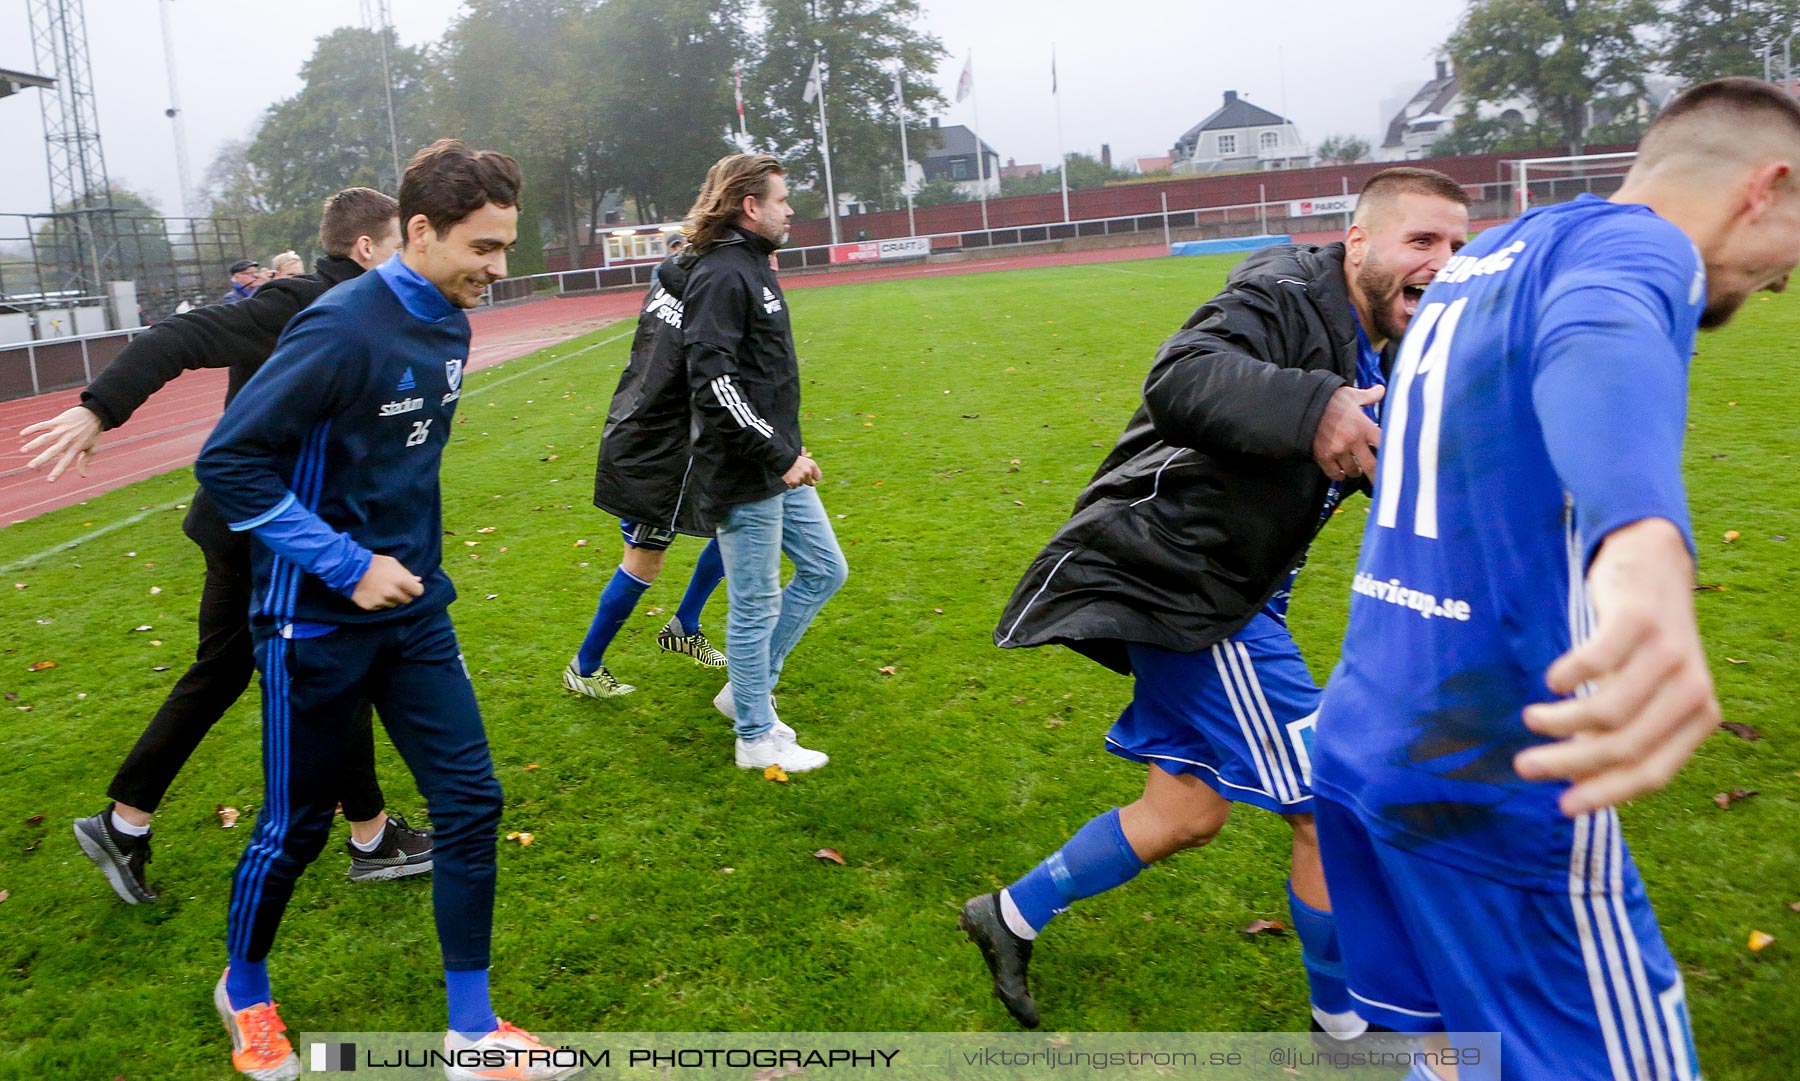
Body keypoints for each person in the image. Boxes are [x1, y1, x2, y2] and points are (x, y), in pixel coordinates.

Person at [1310, 78, 1800, 1081]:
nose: (1788, 279)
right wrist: (1647, 546)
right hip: (1492, 773)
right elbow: (1603, 331)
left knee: (1455, 1057)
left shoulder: (1487, 255)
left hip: (1368, 738)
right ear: (1770, 187)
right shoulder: (1640, 246)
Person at [963, 168, 1471, 1032]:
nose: (1443, 261)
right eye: (1421, 240)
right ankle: (1345, 1026)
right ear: (1358, 242)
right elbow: (1183, 375)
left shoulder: (1386, 341)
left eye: (1458, 246)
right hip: (1188, 590)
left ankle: (1007, 914)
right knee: (1331, 809)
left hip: (1235, 597)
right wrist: (1317, 408)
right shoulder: (1278, 294)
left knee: (1184, 812)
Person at [195, 140, 575, 1081]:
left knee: (472, 800)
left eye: (506, 247)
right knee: (297, 828)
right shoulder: (337, 328)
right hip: (311, 619)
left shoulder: (450, 317)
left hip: (413, 614)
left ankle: (472, 1032)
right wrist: (347, 562)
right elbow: (228, 462)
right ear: (417, 231)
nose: (498, 269)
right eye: (483, 248)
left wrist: (401, 566)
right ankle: (244, 989)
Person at [20, 187, 430, 904]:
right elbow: (173, 338)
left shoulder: (372, 308)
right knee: (336, 670)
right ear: (365, 248)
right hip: (267, 534)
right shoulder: (299, 301)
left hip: (254, 527)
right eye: (402, 242)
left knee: (222, 672)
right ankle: (371, 838)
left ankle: (124, 822)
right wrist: (99, 409)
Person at [682, 153, 847, 772]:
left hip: (778, 462)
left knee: (826, 569)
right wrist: (779, 454)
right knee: (755, 604)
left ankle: (744, 692)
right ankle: (754, 736)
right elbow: (714, 381)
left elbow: (762, 374)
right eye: (781, 200)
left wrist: (790, 451)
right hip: (746, 469)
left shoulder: (752, 267)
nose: (790, 210)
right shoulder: (722, 274)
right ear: (750, 207)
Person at [564, 239, 729, 700]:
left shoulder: (675, 276)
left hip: (668, 442)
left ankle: (684, 626)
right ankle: (585, 665)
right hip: (659, 453)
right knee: (644, 560)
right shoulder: (701, 289)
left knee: (736, 526)